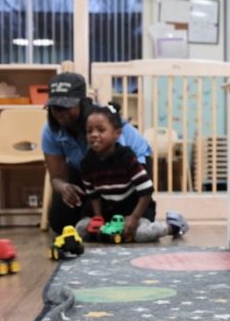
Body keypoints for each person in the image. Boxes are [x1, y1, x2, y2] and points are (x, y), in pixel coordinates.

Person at [41, 72, 151, 234]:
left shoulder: (99, 122)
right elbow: (56, 178)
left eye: (66, 106)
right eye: (55, 107)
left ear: (82, 103)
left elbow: (115, 169)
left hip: (128, 165)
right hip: (88, 170)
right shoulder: (50, 131)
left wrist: (129, 216)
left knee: (122, 219)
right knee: (61, 223)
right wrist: (65, 187)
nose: (60, 112)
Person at [74, 104, 188, 242]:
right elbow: (94, 195)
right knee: (80, 229)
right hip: (109, 214)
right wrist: (98, 219)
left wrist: (134, 218)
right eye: (89, 131)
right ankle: (113, 234)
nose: (94, 135)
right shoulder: (86, 163)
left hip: (135, 211)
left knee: (142, 234)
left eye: (101, 130)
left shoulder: (127, 158)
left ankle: (173, 226)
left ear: (117, 133)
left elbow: (146, 191)